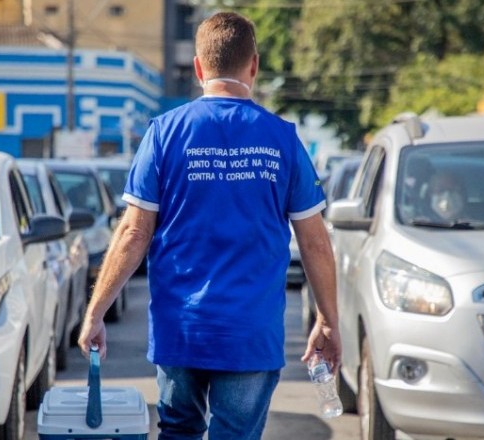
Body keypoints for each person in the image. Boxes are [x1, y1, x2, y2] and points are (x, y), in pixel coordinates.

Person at [76, 11, 340, 440]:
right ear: (254, 66)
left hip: (182, 330)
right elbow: (315, 243)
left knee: (179, 431)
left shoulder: (164, 133)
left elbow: (133, 233)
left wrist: (95, 313)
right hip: (251, 333)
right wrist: (328, 321)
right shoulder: (283, 139)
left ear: (199, 67)